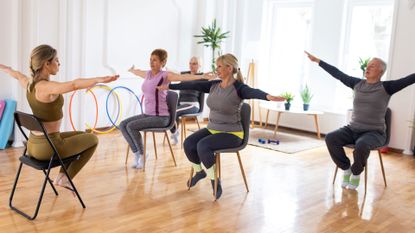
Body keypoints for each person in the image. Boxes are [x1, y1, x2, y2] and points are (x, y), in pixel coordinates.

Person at [158, 53, 285, 199]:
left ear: (229, 68)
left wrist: (268, 97)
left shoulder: (239, 88)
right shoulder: (214, 85)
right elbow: (193, 84)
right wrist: (169, 86)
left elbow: (253, 92)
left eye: (219, 66)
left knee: (203, 146)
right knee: (189, 143)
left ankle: (215, 181)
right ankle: (200, 172)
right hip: (212, 129)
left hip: (232, 134)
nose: (216, 69)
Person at [0, 44, 119, 193]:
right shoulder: (46, 87)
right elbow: (74, 84)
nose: (59, 63)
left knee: (83, 135)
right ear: (46, 64)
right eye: (56, 60)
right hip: (48, 148)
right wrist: (99, 79)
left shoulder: (30, 83)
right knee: (93, 140)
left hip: (32, 145)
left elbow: (16, 74)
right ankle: (64, 178)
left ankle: (61, 177)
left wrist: (4, 67)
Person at [305, 51, 415, 190]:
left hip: (375, 133)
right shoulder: (357, 83)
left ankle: (356, 173)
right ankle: (346, 168)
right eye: (367, 65)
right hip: (352, 129)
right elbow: (338, 74)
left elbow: (409, 79)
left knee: (362, 145)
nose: (367, 68)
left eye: (372, 66)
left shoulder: (387, 87)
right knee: (331, 138)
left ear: (381, 71)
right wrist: (318, 61)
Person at [121, 49, 211, 169]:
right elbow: (139, 72)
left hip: (161, 118)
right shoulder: (148, 74)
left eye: (155, 60)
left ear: (162, 62)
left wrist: (202, 76)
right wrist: (132, 70)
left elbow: (183, 77)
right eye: (150, 59)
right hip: (148, 114)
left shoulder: (165, 76)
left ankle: (142, 155)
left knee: (131, 126)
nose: (151, 62)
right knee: (123, 125)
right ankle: (137, 153)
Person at [170, 56, 205, 145]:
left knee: (175, 111)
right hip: (181, 103)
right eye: (190, 63)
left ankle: (174, 133)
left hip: (193, 105)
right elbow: (171, 75)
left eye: (194, 63)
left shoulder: (202, 77)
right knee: (168, 111)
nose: (191, 65)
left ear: (200, 65)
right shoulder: (184, 74)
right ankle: (175, 131)